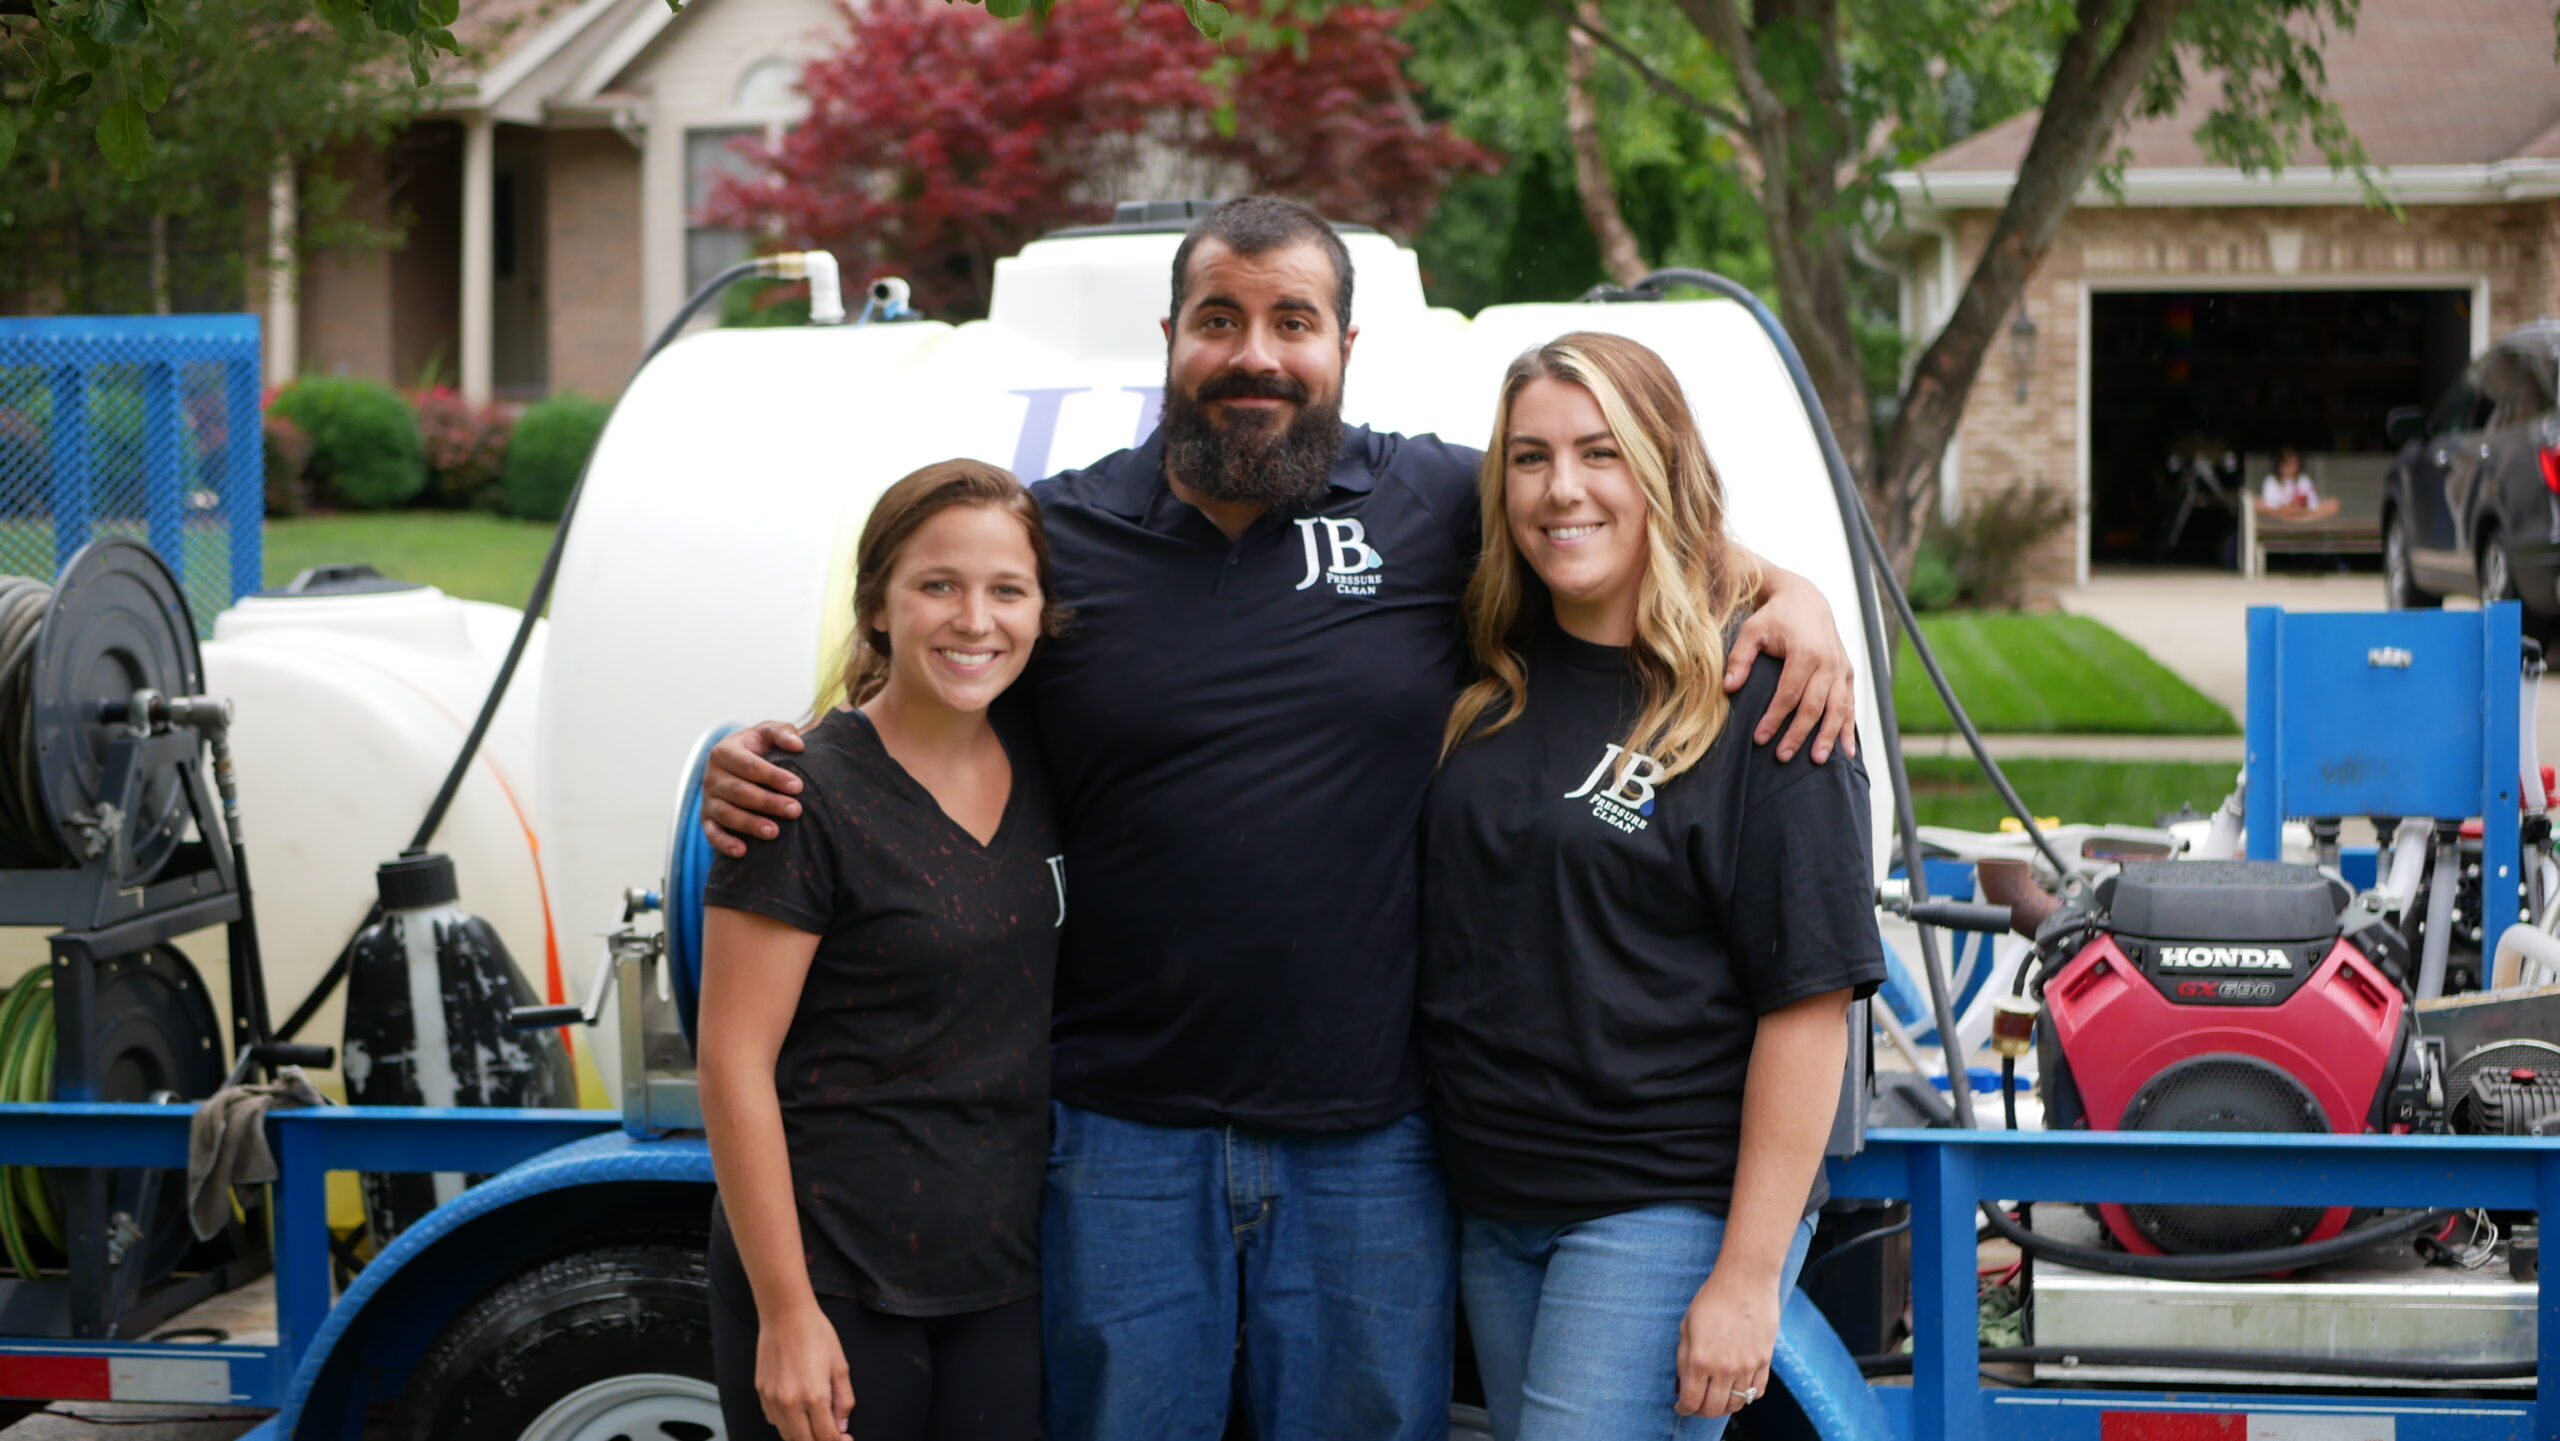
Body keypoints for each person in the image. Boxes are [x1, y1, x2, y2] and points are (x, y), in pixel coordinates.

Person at [700, 197, 1859, 1440]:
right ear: (1169, 339)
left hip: (1372, 1148)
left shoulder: (1432, 504)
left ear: (1345, 347)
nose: (1256, 353)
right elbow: (934, 670)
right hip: (1120, 1139)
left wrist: (1794, 595)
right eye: (1220, 320)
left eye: (1292, 321)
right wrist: (760, 747)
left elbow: (1610, 520)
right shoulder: (1064, 538)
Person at [1421, 333, 1884, 1440]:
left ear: (1664, 469)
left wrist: (1746, 1274)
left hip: (1663, 1204)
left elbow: (1811, 1002)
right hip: (1497, 1202)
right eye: (1529, 458)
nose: (1561, 488)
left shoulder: (1764, 695)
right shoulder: (1492, 674)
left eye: (1601, 452)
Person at [696, 460, 1068, 1441]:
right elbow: (732, 1060)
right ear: (877, 608)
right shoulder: (797, 794)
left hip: (997, 1275)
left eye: (1006, 590)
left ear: (1041, 611)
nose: (973, 620)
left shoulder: (1052, 767)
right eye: (937, 585)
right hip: (832, 1271)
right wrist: (786, 1311)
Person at [2256, 447, 2339, 523]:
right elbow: (2272, 506)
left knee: (2333, 504)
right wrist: (2289, 507)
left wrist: (2299, 507)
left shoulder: (2303, 479)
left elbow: (2313, 504)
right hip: (2282, 512)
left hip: (2302, 512)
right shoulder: (2271, 480)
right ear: (2280, 465)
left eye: (2294, 464)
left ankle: (2298, 520)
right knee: (2258, 504)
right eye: (2287, 465)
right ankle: (2301, 520)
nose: (2291, 468)